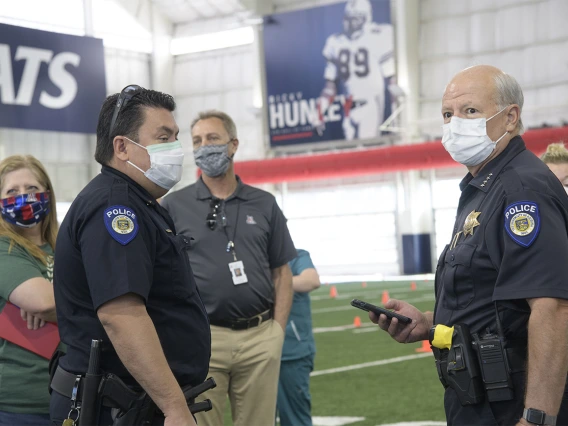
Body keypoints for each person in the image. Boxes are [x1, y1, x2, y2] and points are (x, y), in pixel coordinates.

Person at [372, 65, 568, 425]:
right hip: (477, 395)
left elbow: (552, 307)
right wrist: (430, 323)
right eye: (448, 114)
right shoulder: (483, 189)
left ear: (510, 117)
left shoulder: (521, 190)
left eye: (470, 111)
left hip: (511, 404)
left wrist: (537, 418)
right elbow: (495, 304)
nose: (455, 124)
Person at [50, 85, 211, 426]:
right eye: (163, 137)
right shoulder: (116, 207)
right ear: (122, 147)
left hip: (134, 404)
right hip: (117, 408)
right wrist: (173, 406)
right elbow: (121, 316)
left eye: (175, 137)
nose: (176, 149)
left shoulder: (139, 202)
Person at [161, 110, 296, 426]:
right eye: (197, 141)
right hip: (204, 338)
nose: (204, 146)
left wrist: (276, 331)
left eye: (212, 138)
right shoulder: (173, 206)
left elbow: (282, 272)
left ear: (233, 145)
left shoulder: (264, 203)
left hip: (260, 336)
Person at [0, 155, 58, 426]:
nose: (23, 197)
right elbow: (43, 302)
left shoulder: (67, 247)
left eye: (32, 189)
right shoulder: (4, 248)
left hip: (74, 396)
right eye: (12, 191)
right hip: (20, 404)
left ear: (47, 193)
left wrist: (57, 306)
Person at [311, 0, 395, 140]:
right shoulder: (336, 43)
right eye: (348, 17)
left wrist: (396, 112)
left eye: (355, 18)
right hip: (347, 109)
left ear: (365, 18)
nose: (349, 22)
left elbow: (391, 80)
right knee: (349, 153)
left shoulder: (377, 36)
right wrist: (319, 113)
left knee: (367, 151)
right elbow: (330, 89)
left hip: (370, 107)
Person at [277, 249, 321, 426]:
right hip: (256, 351)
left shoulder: (296, 255)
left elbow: (311, 280)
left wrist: (270, 283)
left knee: (295, 419)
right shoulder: (250, 257)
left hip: (291, 351)